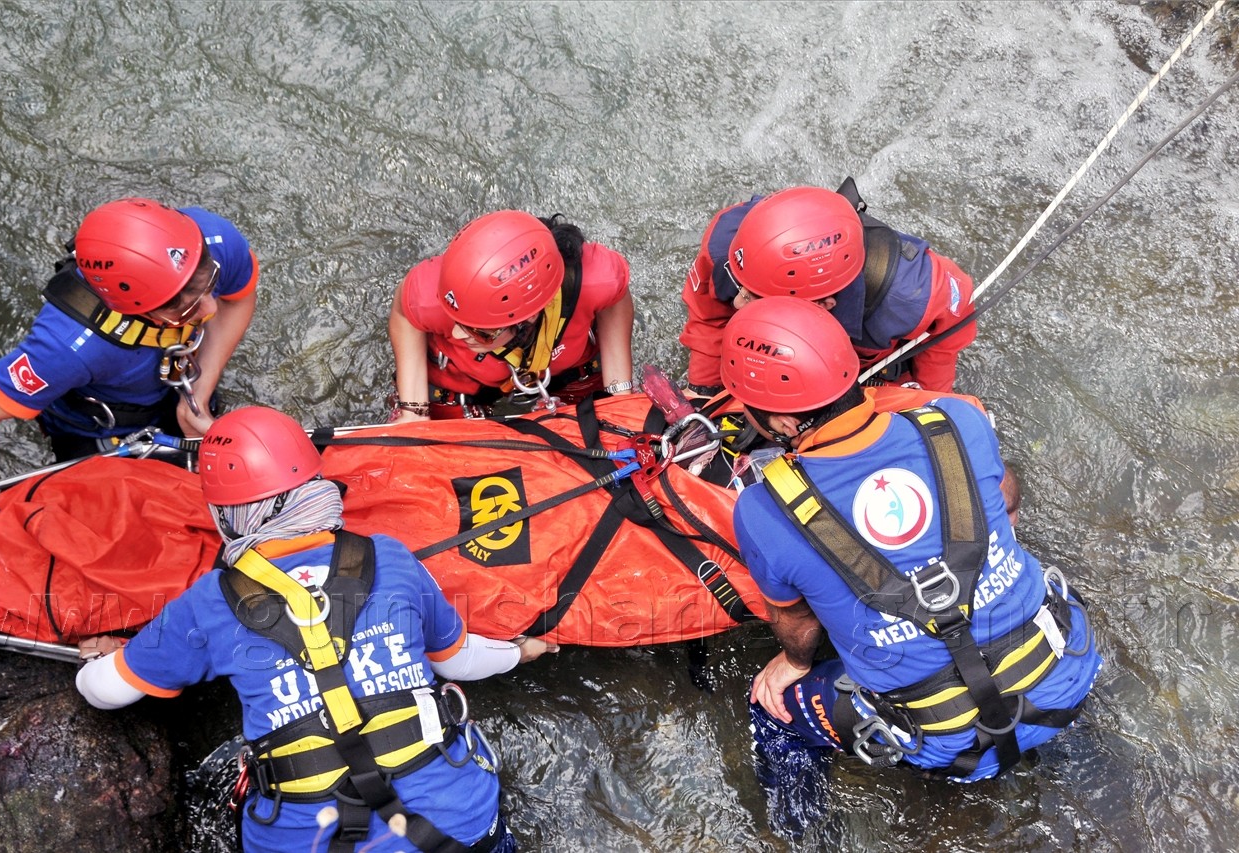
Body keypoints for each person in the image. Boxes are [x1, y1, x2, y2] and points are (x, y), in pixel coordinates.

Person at [76, 406, 556, 852]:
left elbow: (102, 692)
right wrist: (520, 651)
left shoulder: (207, 604)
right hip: (457, 827)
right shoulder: (388, 557)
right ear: (315, 483)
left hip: (305, 839)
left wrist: (103, 658)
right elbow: (460, 660)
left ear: (224, 514)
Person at [723, 297, 1101, 791]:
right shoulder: (957, 419)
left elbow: (797, 621)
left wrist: (794, 662)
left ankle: (794, 822)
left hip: (949, 746)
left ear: (784, 424)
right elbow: (1007, 496)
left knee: (771, 710)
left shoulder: (762, 509)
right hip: (1066, 679)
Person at [0, 197, 257, 594]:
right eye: (185, 308)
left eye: (207, 282)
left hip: (176, 383)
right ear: (134, 308)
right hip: (97, 427)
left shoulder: (212, 240)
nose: (209, 308)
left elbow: (238, 297)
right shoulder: (65, 349)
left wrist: (199, 392)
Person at [679, 180, 977, 397]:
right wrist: (704, 392)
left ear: (824, 305)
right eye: (742, 289)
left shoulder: (910, 295)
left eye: (754, 297)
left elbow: (953, 320)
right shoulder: (729, 243)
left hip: (867, 347)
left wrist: (930, 398)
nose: (737, 304)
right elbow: (710, 316)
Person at [388, 209, 634, 420]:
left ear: (529, 318)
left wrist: (619, 393)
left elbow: (616, 297)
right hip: (465, 383)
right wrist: (414, 411)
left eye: (478, 330)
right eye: (457, 320)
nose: (457, 333)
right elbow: (405, 313)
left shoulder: (597, 279)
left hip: (567, 371)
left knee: (613, 421)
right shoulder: (430, 296)